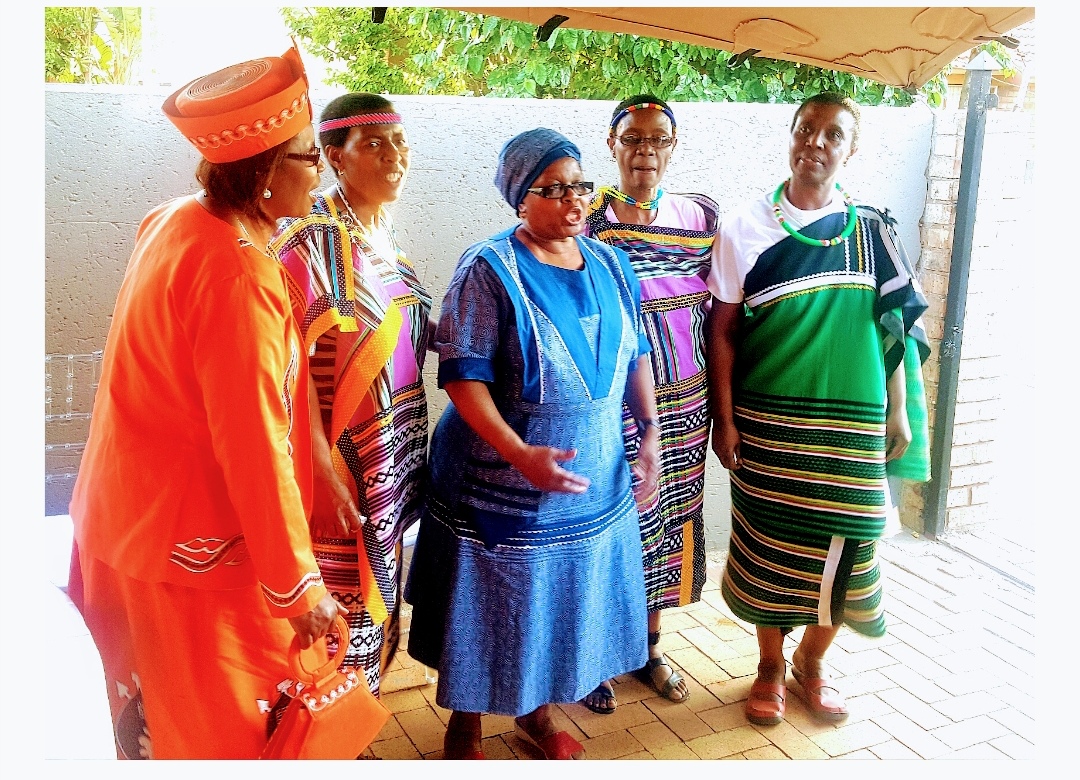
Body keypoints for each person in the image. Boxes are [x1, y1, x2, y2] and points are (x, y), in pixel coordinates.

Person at [67, 44, 346, 759]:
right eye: (311, 158)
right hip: (188, 548)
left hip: (121, 515)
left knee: (138, 712)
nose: (323, 173)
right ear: (263, 174)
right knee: (216, 732)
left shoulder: (172, 219)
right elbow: (253, 441)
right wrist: (299, 587)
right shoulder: (237, 276)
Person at [404, 128, 659, 760]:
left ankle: (536, 716)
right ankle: (464, 724)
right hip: (501, 478)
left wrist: (651, 435)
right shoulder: (489, 269)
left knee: (553, 603)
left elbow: (635, 356)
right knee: (489, 603)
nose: (574, 200)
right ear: (520, 198)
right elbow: (463, 376)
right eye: (554, 189)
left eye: (580, 185)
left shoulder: (611, 265)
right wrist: (519, 454)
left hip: (590, 476)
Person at [706, 92, 931, 726]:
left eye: (833, 135)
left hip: (854, 428)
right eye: (806, 129)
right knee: (771, 547)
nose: (816, 143)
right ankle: (769, 667)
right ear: (791, 136)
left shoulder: (872, 232)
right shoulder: (745, 226)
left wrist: (898, 411)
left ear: (850, 150)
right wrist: (726, 419)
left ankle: (812, 661)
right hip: (770, 426)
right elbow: (722, 332)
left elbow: (895, 332)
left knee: (852, 550)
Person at [270, 93, 432, 697]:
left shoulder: (382, 237)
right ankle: (331, 728)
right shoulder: (311, 239)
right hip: (339, 467)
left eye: (400, 142)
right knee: (337, 616)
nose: (395, 157)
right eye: (375, 145)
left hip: (389, 460)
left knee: (376, 599)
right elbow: (286, 372)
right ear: (335, 157)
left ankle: (357, 716)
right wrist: (320, 473)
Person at [582, 95, 719, 712]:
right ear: (611, 144)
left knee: (667, 526)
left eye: (658, 138)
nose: (646, 151)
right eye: (632, 138)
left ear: (673, 145)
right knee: (609, 525)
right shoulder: (589, 220)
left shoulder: (702, 217)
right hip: (615, 410)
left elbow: (722, 306)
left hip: (688, 406)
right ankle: (596, 657)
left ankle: (649, 647)